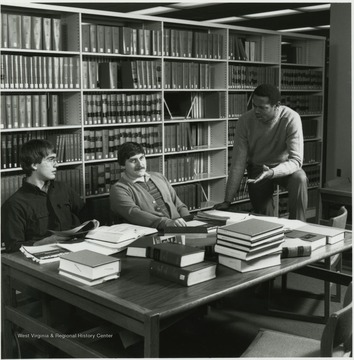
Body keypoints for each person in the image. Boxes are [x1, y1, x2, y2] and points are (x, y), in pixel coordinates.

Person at [214, 83, 308, 221]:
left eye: (262, 108)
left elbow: (296, 161)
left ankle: (299, 225)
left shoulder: (291, 118)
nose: (256, 111)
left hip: (285, 167)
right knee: (264, 219)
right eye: (254, 106)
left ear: (277, 106)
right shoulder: (245, 121)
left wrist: (272, 172)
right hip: (258, 169)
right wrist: (227, 200)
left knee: (300, 178)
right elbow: (238, 164)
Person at [2, 139, 87, 253]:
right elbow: (12, 247)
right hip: (40, 261)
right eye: (51, 160)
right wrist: (42, 243)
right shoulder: (14, 204)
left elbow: (85, 215)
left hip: (76, 251)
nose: (57, 164)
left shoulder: (64, 189)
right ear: (33, 165)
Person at [110, 142, 190, 230]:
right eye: (133, 160)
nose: (140, 164)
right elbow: (134, 214)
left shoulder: (159, 177)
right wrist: (168, 223)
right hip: (154, 233)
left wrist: (189, 221)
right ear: (123, 165)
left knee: (205, 238)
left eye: (141, 158)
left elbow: (179, 205)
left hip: (180, 227)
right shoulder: (119, 189)